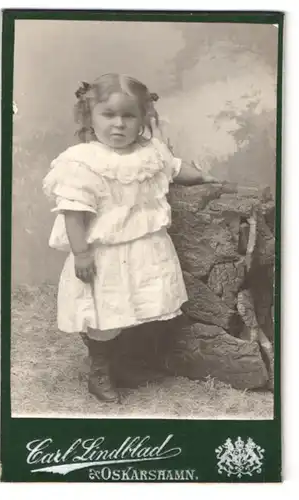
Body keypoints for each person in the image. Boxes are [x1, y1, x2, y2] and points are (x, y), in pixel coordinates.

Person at [43, 73, 219, 404]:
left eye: (129, 116)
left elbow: (176, 168)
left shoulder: (151, 153)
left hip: (146, 249)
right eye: (109, 115)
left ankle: (124, 364)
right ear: (89, 117)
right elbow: (73, 213)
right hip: (105, 255)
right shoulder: (83, 161)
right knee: (107, 313)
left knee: (138, 309)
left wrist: (204, 176)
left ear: (143, 119)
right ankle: (100, 369)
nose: (119, 125)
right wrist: (81, 254)